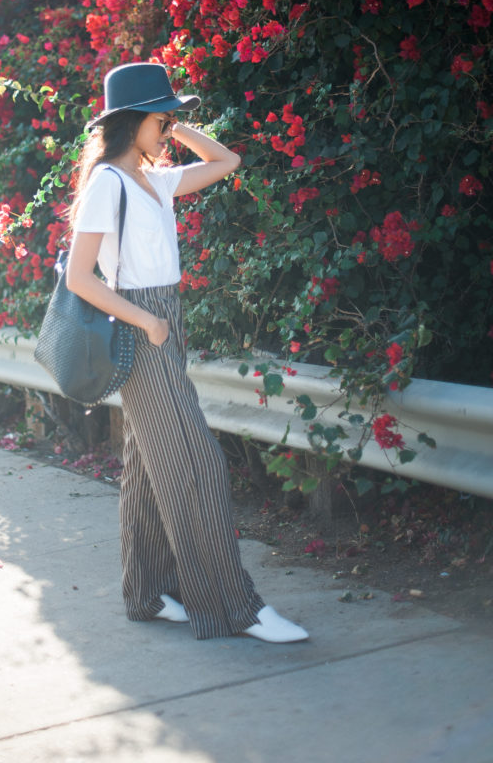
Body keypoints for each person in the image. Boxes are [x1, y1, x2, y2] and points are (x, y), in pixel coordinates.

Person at [66, 62, 308, 643]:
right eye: (161, 115)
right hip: (140, 328)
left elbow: (228, 163)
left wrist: (176, 129)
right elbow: (80, 277)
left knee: (153, 467)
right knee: (197, 464)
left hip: (164, 321)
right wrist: (147, 320)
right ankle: (232, 607)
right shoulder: (107, 184)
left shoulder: (154, 180)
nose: (169, 123)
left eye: (172, 115)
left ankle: (148, 594)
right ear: (130, 122)